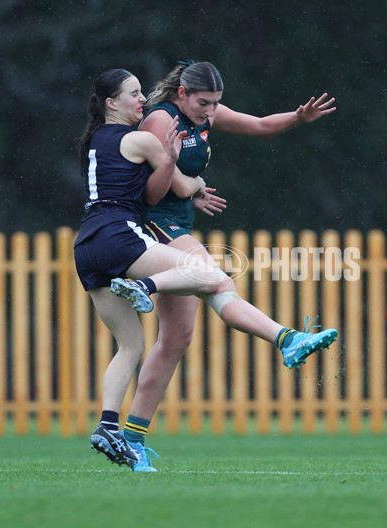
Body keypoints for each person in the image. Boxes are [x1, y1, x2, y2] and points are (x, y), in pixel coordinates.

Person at [118, 61, 338, 472]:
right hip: (153, 224)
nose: (211, 111)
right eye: (204, 103)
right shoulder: (160, 121)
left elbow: (257, 125)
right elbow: (148, 192)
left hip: (176, 222)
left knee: (176, 338)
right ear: (182, 92)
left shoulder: (204, 115)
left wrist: (298, 117)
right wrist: (190, 188)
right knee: (216, 281)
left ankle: (132, 439)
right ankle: (287, 339)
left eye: (216, 103)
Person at [74, 68, 224, 468]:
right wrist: (192, 183)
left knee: (131, 345)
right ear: (111, 103)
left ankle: (108, 424)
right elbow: (181, 185)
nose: (143, 100)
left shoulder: (93, 141)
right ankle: (148, 287)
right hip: (117, 234)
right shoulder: (139, 138)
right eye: (134, 94)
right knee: (209, 274)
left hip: (85, 245)